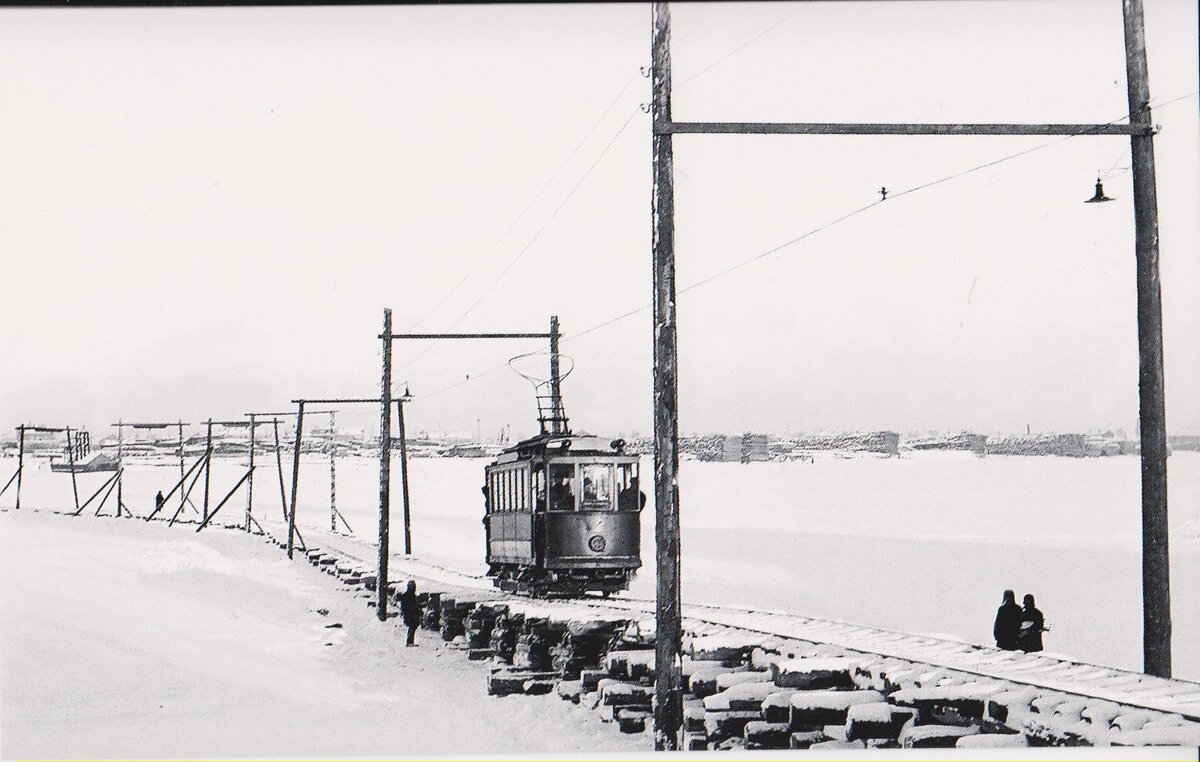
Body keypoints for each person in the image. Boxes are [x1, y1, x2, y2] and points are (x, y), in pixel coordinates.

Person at [399, 580, 421, 647]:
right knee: (412, 627)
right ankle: (409, 642)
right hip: (410, 615)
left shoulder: (409, 595)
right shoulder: (408, 595)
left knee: (412, 627)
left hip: (411, 614)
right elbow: (405, 607)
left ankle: (410, 642)